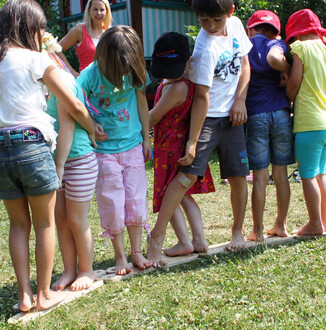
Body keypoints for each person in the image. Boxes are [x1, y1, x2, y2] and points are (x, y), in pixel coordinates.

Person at [0, 0, 96, 312]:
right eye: (40, 28)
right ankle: (43, 294)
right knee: (44, 224)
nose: (43, 34)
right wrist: (92, 129)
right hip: (31, 143)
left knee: (17, 225)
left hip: (1, 147)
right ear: (30, 28)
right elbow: (74, 104)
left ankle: (24, 296)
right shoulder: (36, 59)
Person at [147, 0, 252, 267]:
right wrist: (193, 142)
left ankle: (237, 231)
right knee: (185, 177)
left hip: (233, 117)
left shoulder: (237, 26)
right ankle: (157, 236)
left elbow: (245, 65)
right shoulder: (204, 48)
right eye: (204, 21)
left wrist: (240, 100)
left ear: (230, 13)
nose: (211, 27)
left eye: (216, 20)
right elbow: (201, 98)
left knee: (239, 176)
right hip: (207, 118)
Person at [77, 25, 153, 275]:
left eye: (126, 70)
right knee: (112, 202)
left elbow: (141, 100)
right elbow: (74, 101)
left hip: (132, 147)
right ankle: (120, 257)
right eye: (117, 71)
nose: (122, 75)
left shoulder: (133, 70)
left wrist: (146, 137)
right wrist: (90, 124)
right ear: (102, 58)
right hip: (104, 151)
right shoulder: (90, 75)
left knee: (135, 200)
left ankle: (136, 253)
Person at [149, 32, 215, 257]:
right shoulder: (181, 81)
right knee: (184, 195)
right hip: (176, 145)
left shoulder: (178, 87)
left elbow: (153, 118)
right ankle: (199, 240)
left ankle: (184, 241)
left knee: (170, 194)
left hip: (171, 148)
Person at [44, 35, 98, 292]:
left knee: (77, 220)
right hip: (58, 161)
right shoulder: (43, 83)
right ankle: (69, 270)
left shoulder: (62, 80)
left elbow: (67, 124)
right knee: (62, 220)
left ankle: (86, 270)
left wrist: (60, 166)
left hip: (76, 160)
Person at [245, 10, 295, 241]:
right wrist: (286, 70)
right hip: (282, 113)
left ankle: (257, 230)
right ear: (275, 31)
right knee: (281, 174)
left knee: (260, 176)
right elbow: (275, 59)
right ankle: (281, 225)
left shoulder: (244, 46)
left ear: (250, 29)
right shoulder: (278, 44)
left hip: (256, 115)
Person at [285, 9, 326, 235]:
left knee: (308, 175)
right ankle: (323, 222)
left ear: (296, 34)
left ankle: (314, 224)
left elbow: (294, 83)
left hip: (309, 123)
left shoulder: (300, 48)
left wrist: (287, 97)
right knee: (320, 173)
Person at [57, 0, 112, 78]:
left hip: (108, 83)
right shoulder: (79, 30)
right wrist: (72, 73)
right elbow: (55, 49)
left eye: (102, 9)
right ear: (89, 10)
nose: (99, 13)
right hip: (87, 84)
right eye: (95, 9)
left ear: (107, 11)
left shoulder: (110, 31)